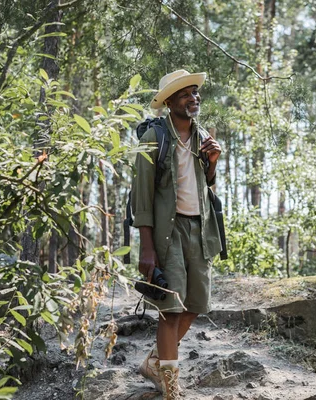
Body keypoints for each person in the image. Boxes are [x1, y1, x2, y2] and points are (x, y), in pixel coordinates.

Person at [131, 69, 222, 399]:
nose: (193, 97)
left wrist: (212, 162)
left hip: (199, 231)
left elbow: (205, 185)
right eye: (185, 93)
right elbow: (142, 196)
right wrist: (146, 248)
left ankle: (155, 362)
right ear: (169, 101)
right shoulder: (154, 138)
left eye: (195, 92)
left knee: (196, 303)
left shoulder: (202, 137)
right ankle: (171, 387)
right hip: (166, 234)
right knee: (170, 308)